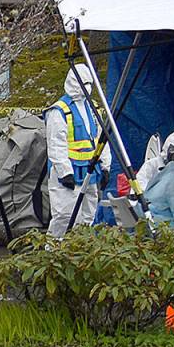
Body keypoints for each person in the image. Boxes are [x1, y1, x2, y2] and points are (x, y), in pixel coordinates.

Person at [45, 64, 111, 239]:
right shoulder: (59, 111)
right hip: (68, 173)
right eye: (84, 83)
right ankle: (54, 252)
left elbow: (100, 138)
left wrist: (105, 167)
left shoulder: (92, 108)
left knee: (88, 216)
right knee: (64, 217)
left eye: (89, 83)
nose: (87, 87)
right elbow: (56, 144)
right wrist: (64, 172)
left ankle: (82, 252)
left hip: (89, 171)